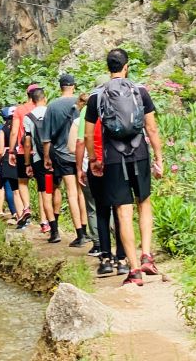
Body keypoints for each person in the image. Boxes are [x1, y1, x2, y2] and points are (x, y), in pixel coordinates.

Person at [85, 48, 164, 286]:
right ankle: (147, 255)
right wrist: (159, 158)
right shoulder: (140, 91)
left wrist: (94, 160)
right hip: (139, 153)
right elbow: (151, 129)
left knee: (123, 211)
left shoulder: (96, 96)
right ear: (126, 66)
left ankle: (134, 270)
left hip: (112, 157)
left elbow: (89, 135)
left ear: (108, 68)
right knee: (144, 202)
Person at [77, 81, 128, 277]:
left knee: (102, 211)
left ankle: (106, 259)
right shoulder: (120, 109)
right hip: (117, 164)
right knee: (120, 212)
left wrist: (89, 163)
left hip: (97, 166)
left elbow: (85, 139)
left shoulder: (92, 112)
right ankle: (122, 260)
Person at [42, 73, 90, 248]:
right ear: (74, 86)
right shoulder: (82, 103)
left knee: (69, 192)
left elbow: (46, 138)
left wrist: (47, 157)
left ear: (60, 87)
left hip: (61, 155)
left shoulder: (52, 106)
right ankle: (85, 230)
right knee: (80, 192)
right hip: (80, 153)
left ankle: (79, 234)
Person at [23, 88, 58, 238]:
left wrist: (27, 163)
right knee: (55, 189)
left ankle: (53, 229)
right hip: (56, 157)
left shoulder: (28, 117)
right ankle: (56, 221)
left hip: (39, 160)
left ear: (32, 100)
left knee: (45, 192)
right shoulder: (52, 112)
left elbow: (27, 143)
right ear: (44, 98)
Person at [8, 83, 41, 229]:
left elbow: (14, 132)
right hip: (40, 151)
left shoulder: (20, 110)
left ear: (27, 95)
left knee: (22, 183)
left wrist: (11, 151)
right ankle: (45, 221)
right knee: (43, 188)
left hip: (23, 151)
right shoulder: (42, 109)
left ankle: (26, 208)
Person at [74, 93, 100, 257]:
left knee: (92, 206)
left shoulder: (86, 112)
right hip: (112, 161)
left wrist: (79, 168)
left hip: (90, 163)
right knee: (111, 205)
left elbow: (80, 141)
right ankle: (118, 241)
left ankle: (97, 243)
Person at [0, 106, 19, 220]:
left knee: (9, 187)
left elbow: (0, 150)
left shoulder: (3, 129)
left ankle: (15, 212)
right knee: (20, 187)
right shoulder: (22, 127)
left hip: (7, 160)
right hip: (20, 157)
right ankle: (24, 210)